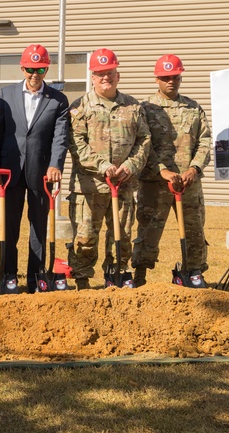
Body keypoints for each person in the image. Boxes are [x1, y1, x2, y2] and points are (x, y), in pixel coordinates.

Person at [0, 44, 70, 292]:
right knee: (9, 227)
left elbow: (60, 137)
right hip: (9, 171)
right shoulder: (5, 95)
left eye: (41, 69)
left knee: (38, 228)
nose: (35, 75)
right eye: (31, 69)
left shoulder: (58, 100)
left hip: (41, 172)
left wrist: (56, 165)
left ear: (47, 69)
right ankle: (9, 276)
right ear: (22, 68)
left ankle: (36, 279)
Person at [67, 48, 151, 289]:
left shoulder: (133, 107)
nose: (106, 78)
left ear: (118, 75)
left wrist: (130, 166)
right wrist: (102, 166)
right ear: (92, 77)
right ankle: (82, 280)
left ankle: (116, 275)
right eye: (100, 73)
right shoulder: (79, 107)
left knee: (121, 237)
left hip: (123, 186)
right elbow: (76, 144)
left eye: (110, 73)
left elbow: (144, 141)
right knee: (84, 238)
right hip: (89, 187)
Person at [132, 54, 212, 286]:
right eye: (166, 77)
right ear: (156, 79)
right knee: (148, 231)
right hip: (155, 184)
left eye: (175, 77)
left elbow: (205, 141)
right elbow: (142, 144)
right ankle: (140, 276)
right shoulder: (145, 108)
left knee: (194, 231)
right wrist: (161, 171)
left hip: (189, 183)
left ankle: (194, 273)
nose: (171, 82)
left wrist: (195, 169)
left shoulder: (193, 108)